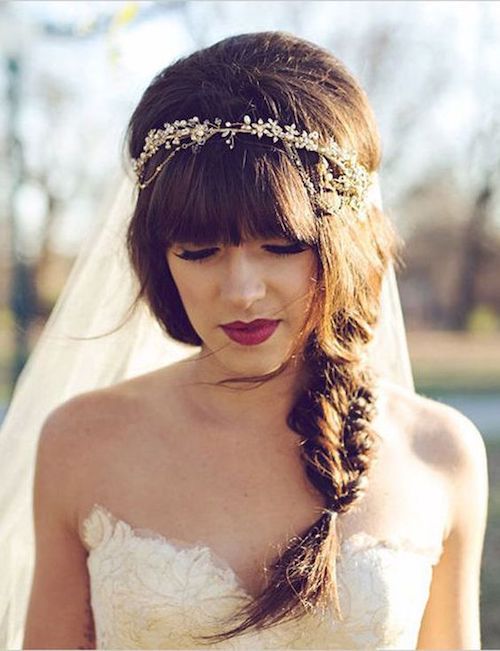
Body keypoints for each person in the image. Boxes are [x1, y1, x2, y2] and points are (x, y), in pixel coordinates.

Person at [1, 31, 488, 650]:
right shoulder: (81, 442)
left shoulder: (441, 454)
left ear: (343, 244)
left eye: (280, 246)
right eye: (199, 251)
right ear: (159, 258)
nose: (240, 291)